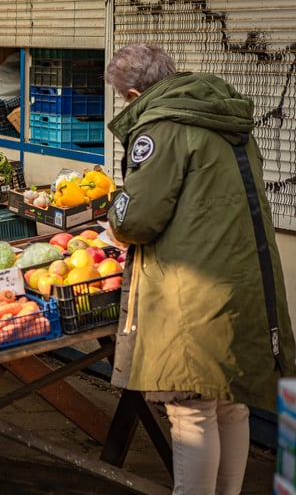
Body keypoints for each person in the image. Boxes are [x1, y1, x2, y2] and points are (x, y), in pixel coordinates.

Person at [103, 42, 296, 494]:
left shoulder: (162, 127)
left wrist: (114, 215)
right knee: (231, 404)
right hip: (245, 280)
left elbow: (139, 218)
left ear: (133, 95)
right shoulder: (221, 116)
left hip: (193, 288)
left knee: (191, 410)